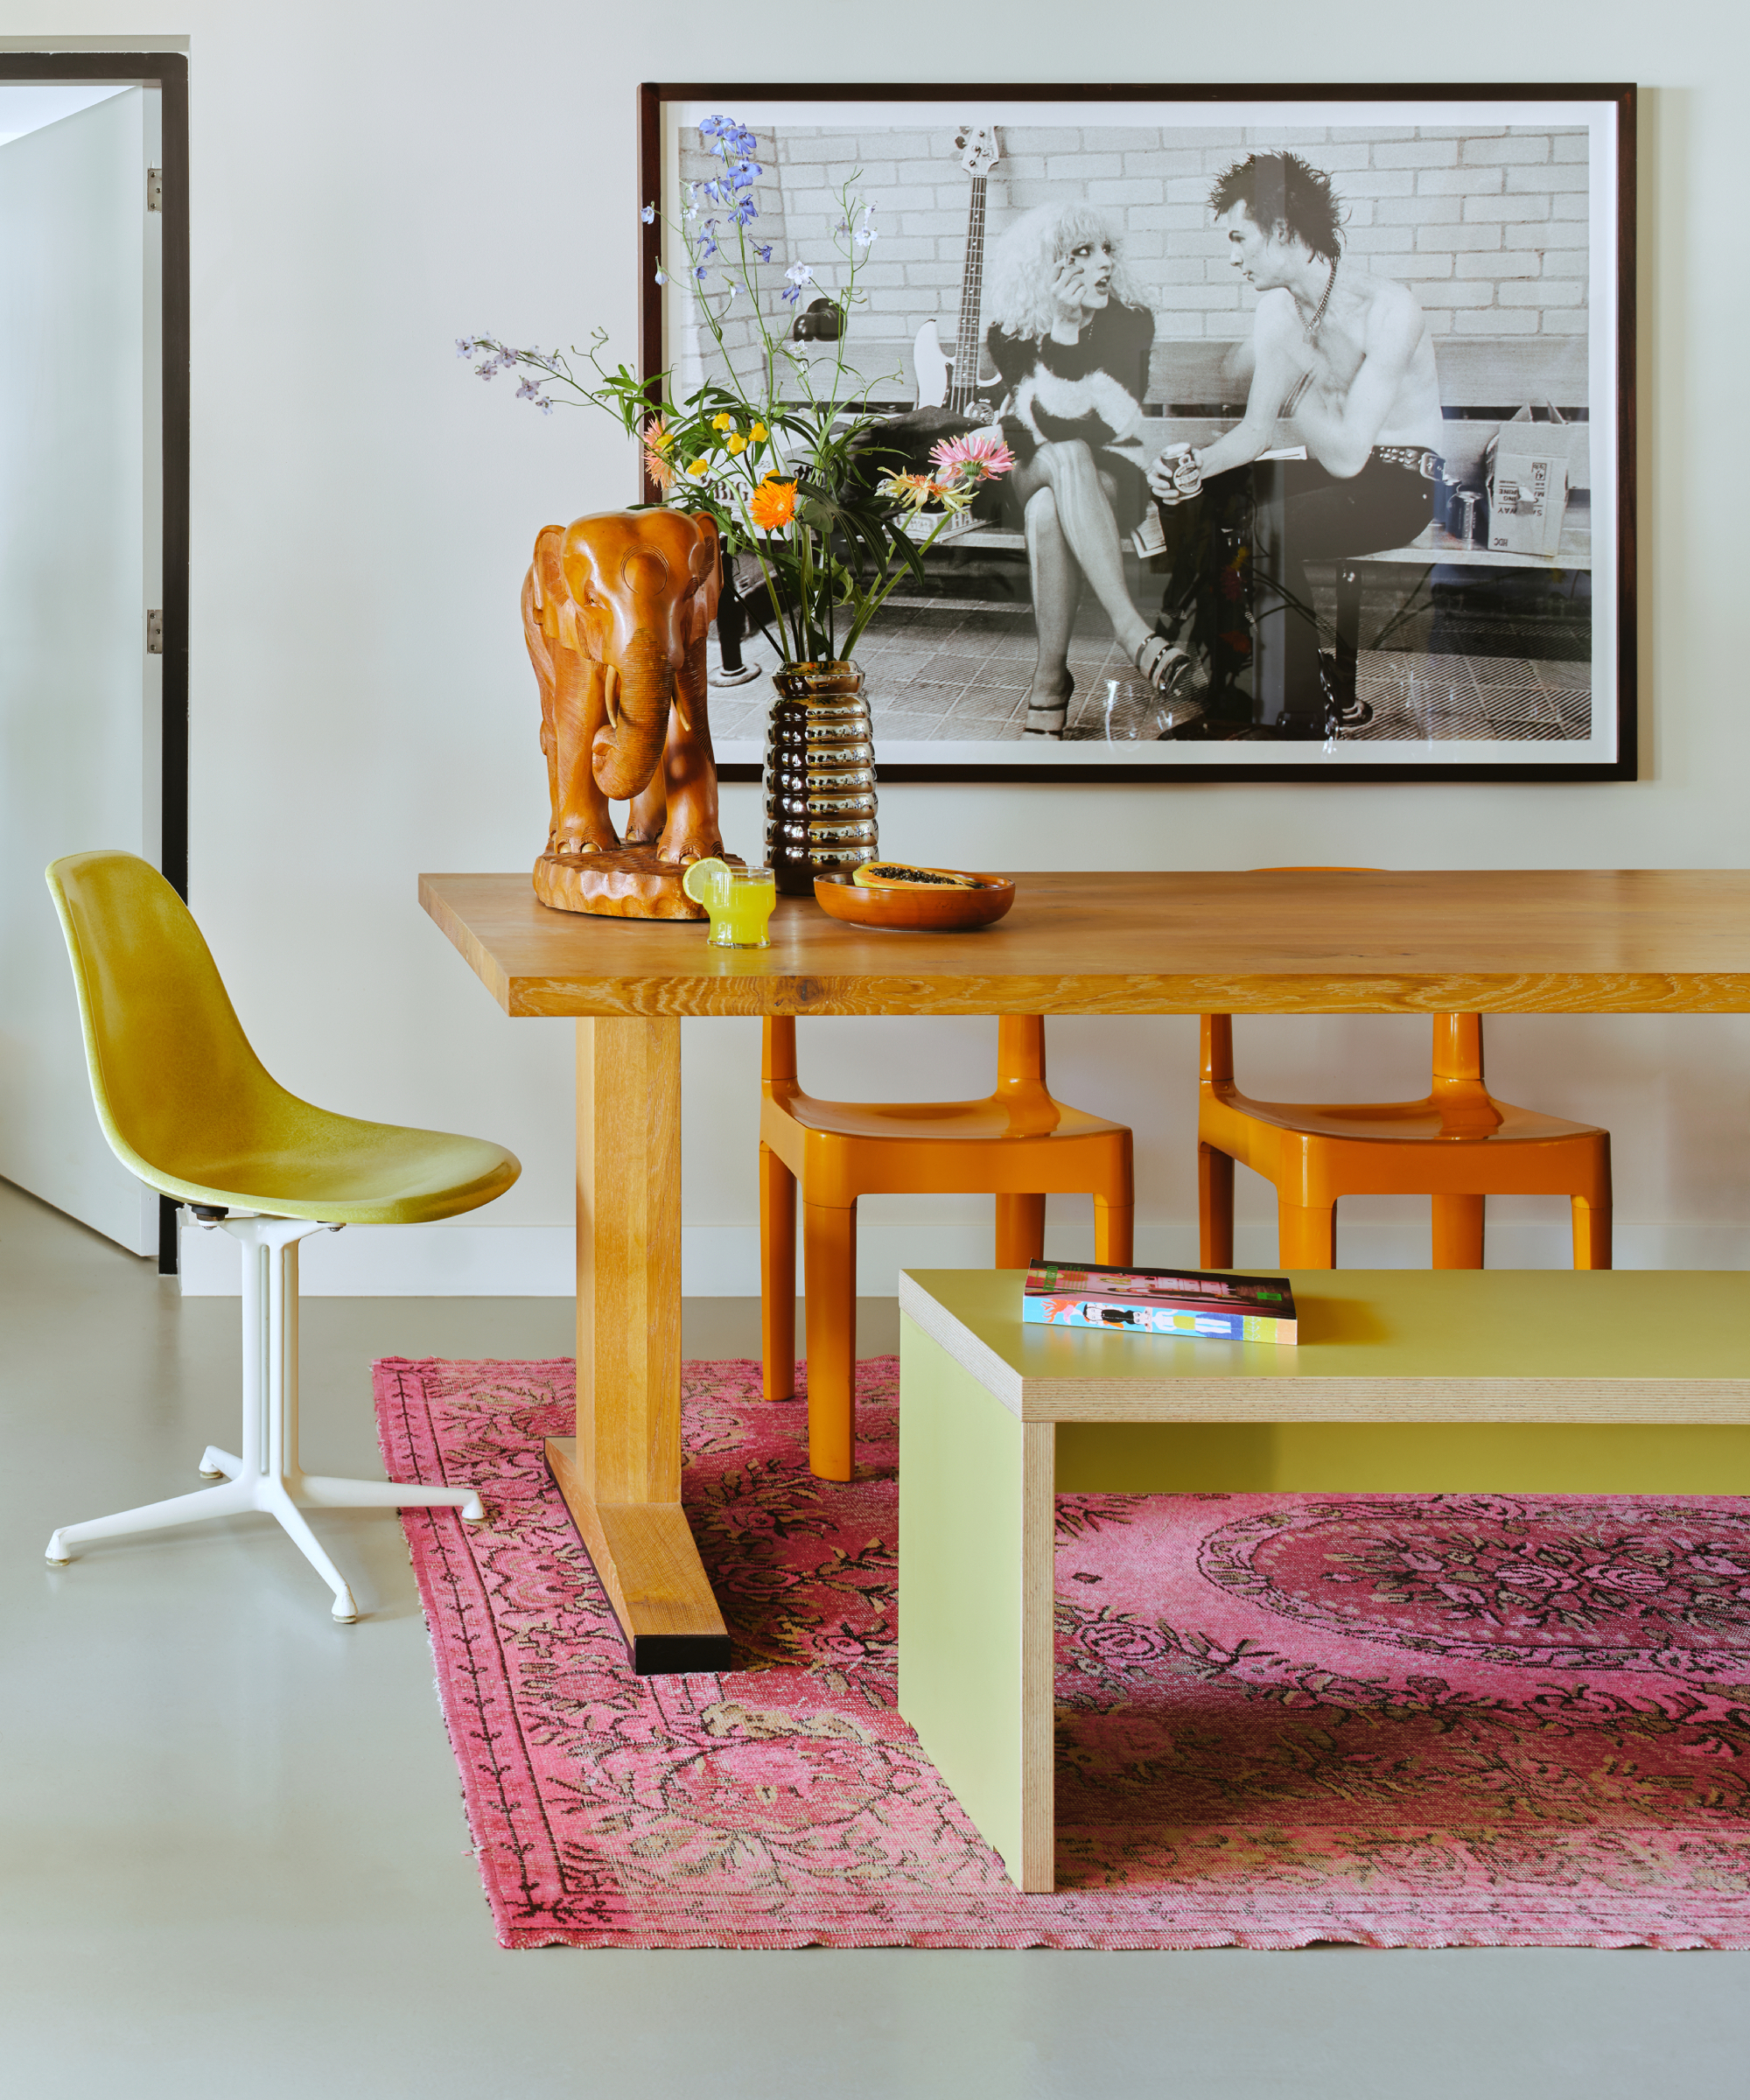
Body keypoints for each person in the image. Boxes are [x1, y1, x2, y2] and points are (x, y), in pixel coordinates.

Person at [1149, 152, 1444, 739]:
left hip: (1400, 482)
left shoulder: (1390, 310)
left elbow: (1349, 456)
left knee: (1270, 528)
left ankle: (1301, 715)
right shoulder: (1277, 311)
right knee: (1199, 498)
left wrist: (1295, 363)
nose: (1232, 257)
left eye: (1240, 238)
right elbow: (1256, 434)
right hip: (1336, 470)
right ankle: (1239, 689)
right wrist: (1192, 467)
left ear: (1283, 231)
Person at [982, 204, 1188, 738]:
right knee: (1063, 455)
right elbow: (1045, 427)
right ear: (1046, 264)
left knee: (1052, 506)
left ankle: (1049, 682)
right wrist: (1065, 333)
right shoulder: (1011, 329)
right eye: (1080, 253)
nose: (1102, 265)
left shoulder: (1131, 320)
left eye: (1105, 250)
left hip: (1109, 473)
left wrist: (1070, 343)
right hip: (1028, 466)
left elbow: (1114, 422)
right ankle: (1131, 630)